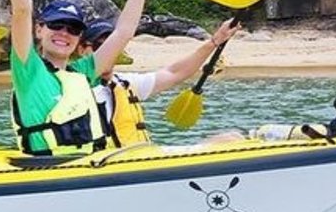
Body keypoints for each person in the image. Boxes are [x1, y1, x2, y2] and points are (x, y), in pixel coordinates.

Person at [2, 0, 154, 157]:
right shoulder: (28, 68)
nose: (64, 33)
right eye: (56, 25)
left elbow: (124, 31)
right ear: (40, 30)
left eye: (73, 29)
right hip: (49, 173)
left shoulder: (84, 72)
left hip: (91, 167)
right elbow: (22, 9)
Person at [76, 18, 241, 147]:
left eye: (112, 45)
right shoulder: (71, 88)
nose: (108, 52)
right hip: (108, 167)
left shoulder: (125, 83)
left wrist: (215, 41)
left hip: (142, 161)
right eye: (99, 46)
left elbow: (175, 73)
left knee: (232, 139)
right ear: (82, 50)